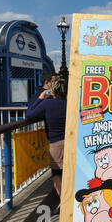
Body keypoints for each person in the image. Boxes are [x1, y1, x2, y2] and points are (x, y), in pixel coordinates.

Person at [26, 77, 67, 213]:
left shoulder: (47, 105)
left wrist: (40, 98)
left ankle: (64, 203)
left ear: (52, 90)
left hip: (56, 144)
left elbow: (29, 115)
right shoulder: (70, 103)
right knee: (70, 172)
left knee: (57, 174)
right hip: (72, 142)